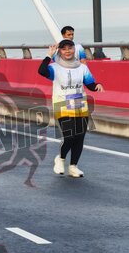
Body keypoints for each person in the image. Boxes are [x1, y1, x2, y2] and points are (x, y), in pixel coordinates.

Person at [39, 40, 104, 178]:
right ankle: (61, 158)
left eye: (70, 48)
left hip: (80, 103)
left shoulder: (82, 67)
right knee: (69, 136)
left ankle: (73, 166)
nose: (67, 51)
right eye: (64, 49)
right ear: (60, 51)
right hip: (62, 103)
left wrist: (97, 85)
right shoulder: (54, 68)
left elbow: (90, 84)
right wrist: (49, 56)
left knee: (79, 137)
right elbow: (42, 71)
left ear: (74, 50)